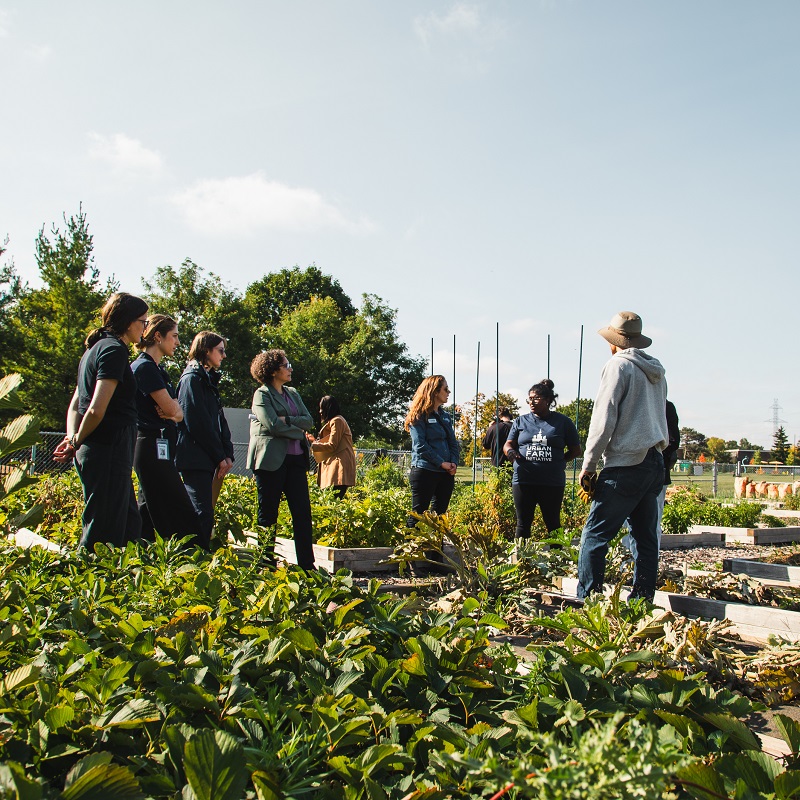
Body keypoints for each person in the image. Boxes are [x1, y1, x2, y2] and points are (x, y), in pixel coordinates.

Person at [577, 311, 668, 602]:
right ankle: (641, 602)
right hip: (654, 461)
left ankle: (589, 602)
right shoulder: (656, 371)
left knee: (595, 535)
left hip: (626, 463)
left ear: (614, 342)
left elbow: (604, 418)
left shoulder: (618, 366)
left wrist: (589, 466)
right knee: (645, 538)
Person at [53, 292, 148, 549]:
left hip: (97, 447)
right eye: (143, 321)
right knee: (102, 531)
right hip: (109, 447)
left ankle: (124, 582)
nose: (145, 328)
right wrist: (76, 439)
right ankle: (86, 581)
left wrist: (73, 438)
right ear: (129, 322)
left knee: (128, 522)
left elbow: (75, 404)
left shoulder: (93, 350)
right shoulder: (113, 349)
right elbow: (95, 409)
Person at [131, 314, 202, 544]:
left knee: (148, 508)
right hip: (150, 444)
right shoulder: (144, 368)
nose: (178, 342)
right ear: (158, 336)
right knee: (178, 507)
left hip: (159, 445)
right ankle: (189, 554)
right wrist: (173, 411)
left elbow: (178, 413)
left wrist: (173, 411)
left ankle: (145, 553)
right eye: (174, 336)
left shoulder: (156, 369)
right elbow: (172, 409)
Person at [247, 350, 315, 570]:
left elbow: (309, 421)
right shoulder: (262, 394)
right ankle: (266, 564)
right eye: (286, 365)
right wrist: (297, 430)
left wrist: (288, 421)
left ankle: (307, 565)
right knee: (268, 514)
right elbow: (272, 425)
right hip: (271, 461)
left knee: (302, 514)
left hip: (295, 460)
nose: (290, 368)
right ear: (273, 370)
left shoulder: (293, 393)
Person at [175, 331, 234, 548]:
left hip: (208, 458)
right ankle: (193, 561)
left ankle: (198, 557)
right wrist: (219, 456)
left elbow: (219, 421)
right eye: (220, 350)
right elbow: (196, 423)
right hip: (194, 458)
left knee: (205, 511)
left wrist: (227, 454)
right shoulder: (191, 379)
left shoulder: (207, 380)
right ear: (206, 350)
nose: (224, 356)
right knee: (200, 512)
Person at [503, 380, 582, 539]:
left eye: (536, 398)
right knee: (523, 523)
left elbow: (576, 450)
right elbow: (508, 444)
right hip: (524, 481)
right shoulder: (520, 421)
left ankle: (557, 562)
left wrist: (559, 461)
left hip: (551, 482)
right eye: (529, 398)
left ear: (548, 400)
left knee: (553, 523)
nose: (531, 402)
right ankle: (521, 561)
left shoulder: (563, 422)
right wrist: (510, 452)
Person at [404, 375, 459, 575]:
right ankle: (410, 559)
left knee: (439, 517)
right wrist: (441, 462)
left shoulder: (445, 415)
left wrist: (453, 462)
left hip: (445, 473)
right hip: (425, 471)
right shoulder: (418, 416)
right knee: (418, 514)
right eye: (445, 389)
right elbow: (420, 445)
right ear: (434, 391)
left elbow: (453, 442)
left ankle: (436, 561)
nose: (448, 392)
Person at [622, 400, 680, 569]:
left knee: (651, 523)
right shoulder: (635, 403)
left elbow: (673, 441)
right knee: (627, 523)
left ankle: (647, 567)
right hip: (630, 473)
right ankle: (627, 564)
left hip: (656, 476)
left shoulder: (666, 407)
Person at [309, 395, 356, 498]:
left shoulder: (337, 421)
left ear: (327, 408)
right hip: (335, 466)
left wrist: (313, 445)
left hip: (338, 467)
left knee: (334, 500)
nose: (320, 412)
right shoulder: (335, 421)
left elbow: (332, 445)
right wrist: (314, 441)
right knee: (333, 500)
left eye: (322, 408)